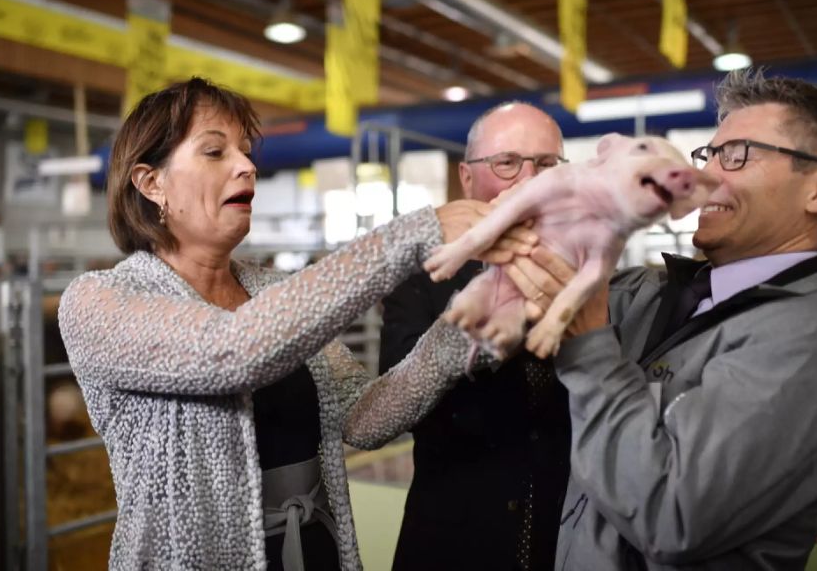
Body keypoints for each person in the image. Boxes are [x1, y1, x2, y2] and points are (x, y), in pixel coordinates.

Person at [57, 78, 531, 570]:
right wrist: (416, 233)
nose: (247, 166)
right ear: (150, 182)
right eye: (215, 151)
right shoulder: (98, 302)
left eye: (245, 151)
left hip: (312, 551)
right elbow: (230, 352)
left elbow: (364, 418)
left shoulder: (272, 292)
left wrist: (462, 333)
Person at [508, 69, 817, 569]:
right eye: (709, 155)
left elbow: (670, 516)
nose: (705, 177)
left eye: (737, 155)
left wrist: (588, 341)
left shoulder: (806, 347)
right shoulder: (663, 293)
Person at [377, 102, 573, 571]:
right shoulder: (424, 272)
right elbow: (395, 398)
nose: (528, 181)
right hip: (455, 532)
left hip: (565, 531)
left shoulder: (588, 272)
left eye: (546, 165)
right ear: (467, 179)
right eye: (507, 163)